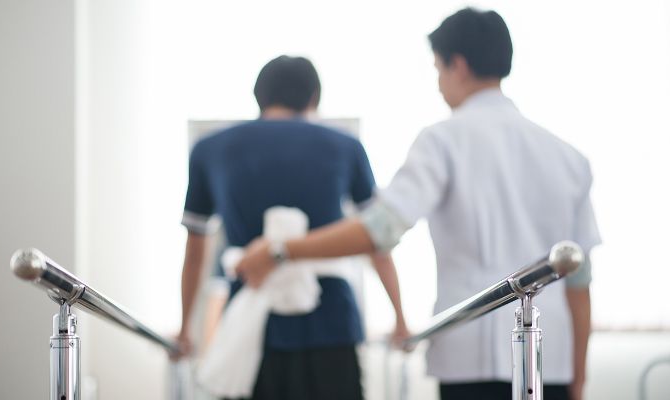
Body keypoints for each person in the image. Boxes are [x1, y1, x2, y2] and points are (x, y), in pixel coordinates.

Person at [236, 8, 601, 400]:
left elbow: (380, 228)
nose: (439, 84)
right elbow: (578, 281)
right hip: (553, 364)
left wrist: (279, 250)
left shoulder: (443, 140)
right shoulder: (568, 157)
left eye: (438, 70)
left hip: (469, 359)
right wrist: (579, 380)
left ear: (457, 65)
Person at [175, 55, 409, 400]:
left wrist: (185, 330)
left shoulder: (210, 149)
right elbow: (375, 241)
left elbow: (196, 251)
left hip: (250, 317)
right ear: (314, 98)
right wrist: (400, 318)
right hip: (329, 319)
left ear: (259, 96)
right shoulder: (345, 146)